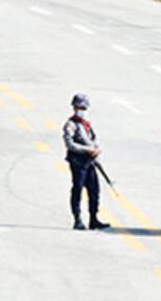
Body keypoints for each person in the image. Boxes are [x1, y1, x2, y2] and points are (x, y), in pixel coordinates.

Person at [63, 93, 109, 231]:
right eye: (79, 107)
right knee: (77, 189)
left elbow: (93, 140)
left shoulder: (86, 125)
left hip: (90, 162)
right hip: (78, 162)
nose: (82, 110)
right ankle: (77, 219)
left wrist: (96, 150)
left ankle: (93, 219)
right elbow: (69, 143)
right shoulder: (71, 124)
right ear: (74, 108)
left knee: (94, 191)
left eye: (84, 107)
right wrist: (86, 150)